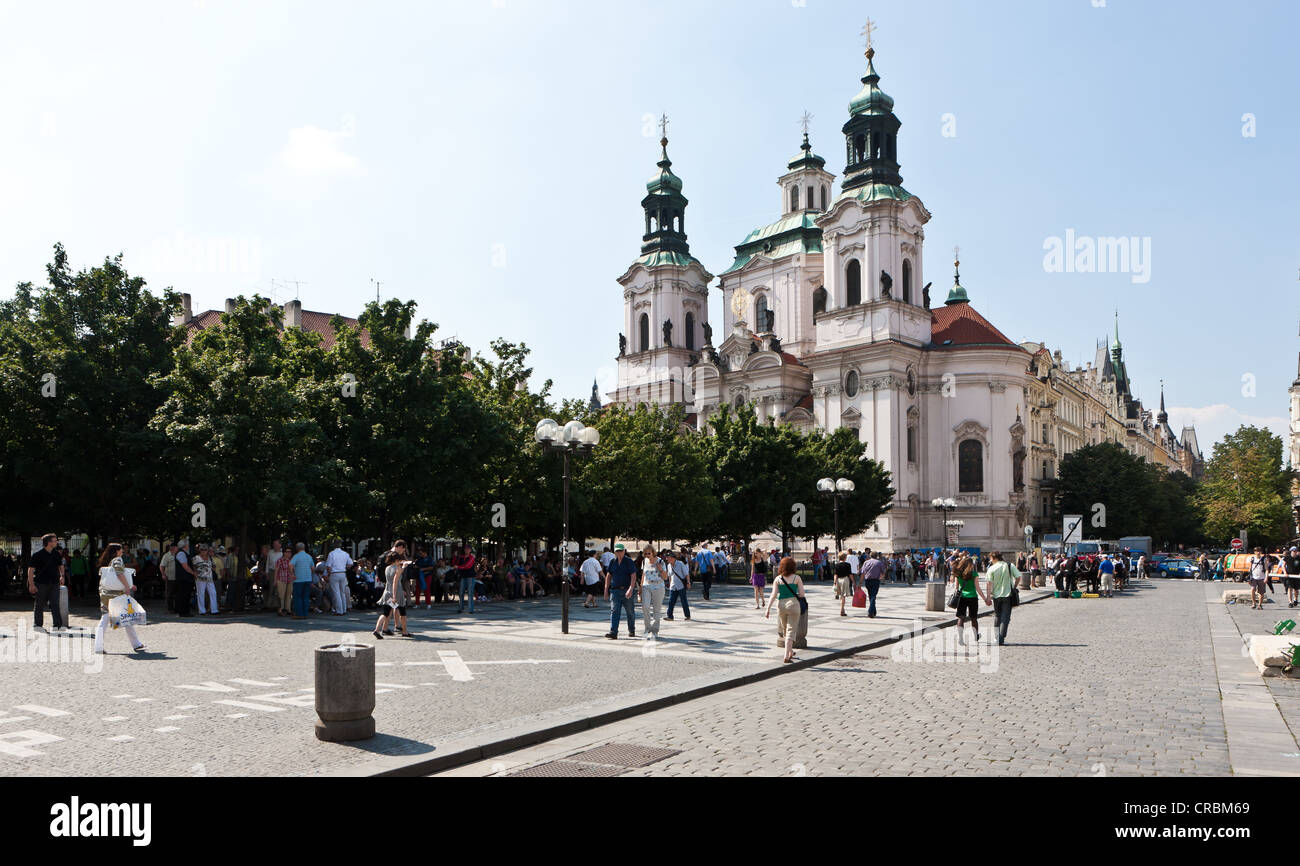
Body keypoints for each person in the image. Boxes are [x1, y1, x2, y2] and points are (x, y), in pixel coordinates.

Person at [93, 545, 146, 654]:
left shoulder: (109, 561)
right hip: (116, 595)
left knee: (124, 617)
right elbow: (119, 573)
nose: (123, 551)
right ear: (117, 551)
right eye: (121, 549)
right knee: (109, 618)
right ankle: (98, 647)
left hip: (107, 594)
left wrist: (129, 586)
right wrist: (127, 586)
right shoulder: (117, 560)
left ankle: (136, 643)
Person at [765, 557, 805, 664]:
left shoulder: (778, 579)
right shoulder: (797, 578)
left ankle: (790, 651)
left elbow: (773, 595)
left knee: (785, 629)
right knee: (791, 630)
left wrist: (768, 609)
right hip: (793, 604)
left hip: (781, 605)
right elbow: (802, 594)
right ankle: (787, 655)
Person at [28, 533, 66, 632]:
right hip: (41, 583)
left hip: (54, 583)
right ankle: (37, 625)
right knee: (39, 604)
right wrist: (31, 584)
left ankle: (57, 625)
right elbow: (30, 570)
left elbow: (61, 566)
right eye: (55, 540)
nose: (57, 542)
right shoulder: (37, 555)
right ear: (49, 543)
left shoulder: (57, 554)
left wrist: (62, 576)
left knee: (55, 604)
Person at [373, 548, 413, 639]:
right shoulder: (397, 568)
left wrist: (403, 566)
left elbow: (395, 576)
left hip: (387, 591)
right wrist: (395, 596)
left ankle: (376, 630)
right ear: (396, 560)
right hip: (396, 593)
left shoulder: (387, 568)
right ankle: (405, 631)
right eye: (399, 559)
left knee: (385, 613)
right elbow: (396, 581)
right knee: (403, 612)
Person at [985, 551, 1019, 647]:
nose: (990, 560)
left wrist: (988, 597)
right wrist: (1014, 587)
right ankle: (1001, 638)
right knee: (1005, 617)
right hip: (1008, 595)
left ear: (994, 558)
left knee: (997, 616)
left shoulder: (991, 568)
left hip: (996, 596)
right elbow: (1018, 577)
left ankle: (997, 637)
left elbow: (988, 584)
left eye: (991, 558)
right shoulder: (1009, 565)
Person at [604, 543, 638, 639]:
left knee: (630, 612)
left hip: (626, 590)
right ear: (614, 552)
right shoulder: (612, 562)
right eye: (617, 551)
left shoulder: (629, 561)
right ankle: (613, 632)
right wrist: (606, 590)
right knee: (614, 611)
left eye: (621, 551)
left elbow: (633, 575)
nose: (619, 553)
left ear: (624, 551)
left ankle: (631, 629)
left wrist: (631, 589)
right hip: (615, 591)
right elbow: (608, 576)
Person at [951, 552, 987, 643]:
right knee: (974, 618)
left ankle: (960, 638)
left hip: (962, 597)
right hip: (973, 598)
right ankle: (976, 636)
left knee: (961, 618)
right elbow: (978, 588)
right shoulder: (974, 574)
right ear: (970, 564)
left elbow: (956, 588)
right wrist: (985, 599)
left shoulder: (958, 574)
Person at [637, 546, 668, 638]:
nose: (647, 555)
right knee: (645, 606)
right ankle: (647, 628)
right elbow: (643, 575)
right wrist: (640, 587)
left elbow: (666, 577)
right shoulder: (645, 561)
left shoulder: (660, 562)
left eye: (649, 553)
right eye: (645, 553)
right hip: (647, 586)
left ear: (653, 553)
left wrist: (660, 569)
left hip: (658, 586)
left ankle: (654, 630)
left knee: (656, 609)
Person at [325, 539, 354, 616]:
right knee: (342, 592)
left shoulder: (331, 554)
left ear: (333, 545)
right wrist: (345, 567)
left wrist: (328, 574)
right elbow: (350, 563)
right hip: (343, 573)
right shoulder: (345, 553)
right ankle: (344, 609)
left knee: (336, 592)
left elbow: (328, 566)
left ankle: (339, 610)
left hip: (334, 573)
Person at [288, 542, 315, 619]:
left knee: (298, 597)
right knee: (306, 597)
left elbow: (290, 565)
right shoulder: (309, 556)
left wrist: (292, 574)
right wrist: (310, 575)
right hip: (308, 579)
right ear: (304, 548)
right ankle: (305, 614)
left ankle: (299, 614)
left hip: (298, 580)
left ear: (297, 549)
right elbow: (313, 568)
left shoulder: (296, 556)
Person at [664, 550, 691, 621]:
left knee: (683, 601)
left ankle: (687, 615)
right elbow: (670, 576)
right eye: (667, 558)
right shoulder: (669, 566)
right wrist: (670, 585)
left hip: (681, 586)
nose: (667, 559)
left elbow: (686, 574)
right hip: (673, 586)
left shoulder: (680, 564)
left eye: (669, 557)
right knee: (671, 601)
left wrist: (688, 582)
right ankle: (670, 616)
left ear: (673, 558)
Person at [859, 551, 886, 619]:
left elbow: (862, 573)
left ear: (870, 556)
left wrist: (860, 583)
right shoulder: (879, 562)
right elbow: (883, 572)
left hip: (868, 581)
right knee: (873, 596)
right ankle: (870, 612)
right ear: (876, 556)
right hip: (875, 581)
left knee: (871, 596)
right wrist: (881, 578)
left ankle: (874, 611)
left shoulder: (866, 562)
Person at [194, 544, 219, 615]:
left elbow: (214, 566)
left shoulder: (209, 558)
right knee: (201, 594)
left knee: (213, 593)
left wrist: (211, 570)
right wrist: (195, 574)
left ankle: (214, 610)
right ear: (199, 550)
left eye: (205, 550)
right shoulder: (196, 558)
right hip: (200, 578)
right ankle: (202, 611)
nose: (204, 551)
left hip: (209, 578)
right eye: (202, 550)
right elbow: (194, 567)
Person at [453, 546, 477, 613]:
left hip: (470, 577)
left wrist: (458, 567)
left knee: (470, 593)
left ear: (470, 550)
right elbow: (455, 563)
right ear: (464, 550)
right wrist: (455, 556)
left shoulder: (472, 557)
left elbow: (467, 566)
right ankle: (461, 608)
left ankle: (470, 609)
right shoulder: (461, 557)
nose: (467, 550)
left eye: (468, 549)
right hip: (463, 577)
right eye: (466, 549)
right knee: (461, 593)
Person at [835, 552, 853, 617]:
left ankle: (837, 595)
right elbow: (850, 574)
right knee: (843, 596)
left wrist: (835, 582)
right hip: (845, 579)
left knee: (841, 594)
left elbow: (836, 574)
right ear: (845, 558)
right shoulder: (848, 565)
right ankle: (842, 609)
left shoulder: (837, 565)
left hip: (839, 580)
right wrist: (853, 582)